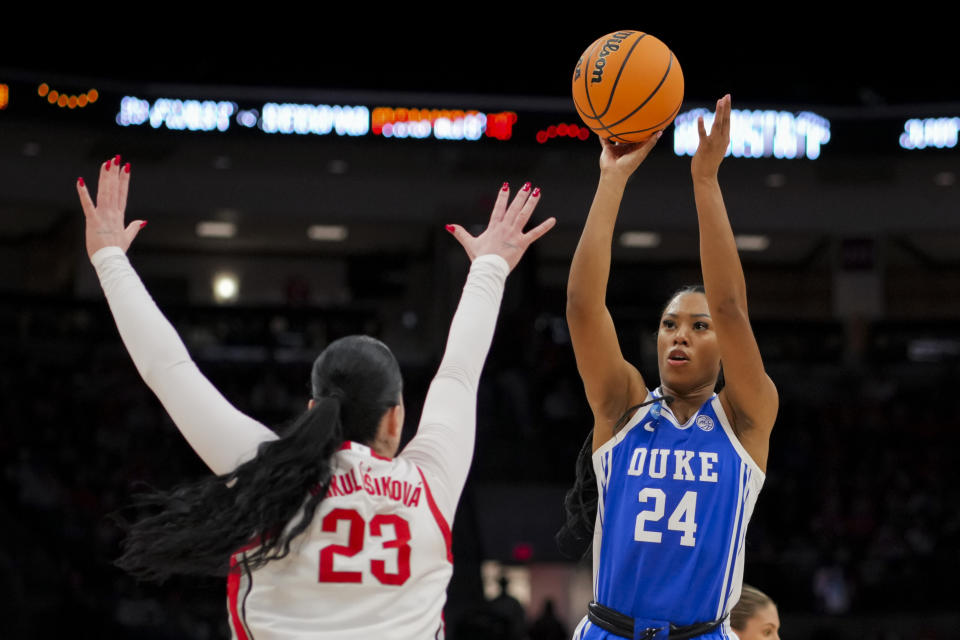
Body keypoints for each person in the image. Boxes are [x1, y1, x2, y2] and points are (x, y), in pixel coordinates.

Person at [76, 159, 554, 640]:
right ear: (395, 419)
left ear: (313, 409)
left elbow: (170, 371)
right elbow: (458, 374)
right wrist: (490, 266)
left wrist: (110, 260)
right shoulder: (430, 485)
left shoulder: (267, 477)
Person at [561, 95, 778, 640]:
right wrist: (611, 179)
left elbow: (730, 306)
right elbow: (583, 307)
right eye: (668, 324)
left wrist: (706, 181)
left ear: (723, 343)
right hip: (608, 629)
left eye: (698, 326)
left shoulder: (747, 419)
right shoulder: (624, 406)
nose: (680, 333)